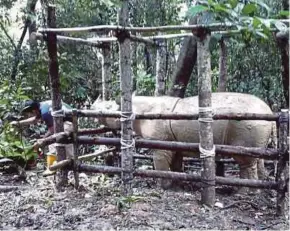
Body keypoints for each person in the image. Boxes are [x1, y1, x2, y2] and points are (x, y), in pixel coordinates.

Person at [10, 99, 74, 176]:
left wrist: (42, 140)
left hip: (69, 121)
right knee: (55, 142)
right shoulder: (41, 106)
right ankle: (59, 167)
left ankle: (60, 168)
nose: (29, 116)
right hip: (65, 119)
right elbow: (35, 119)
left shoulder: (45, 112)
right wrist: (19, 123)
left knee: (57, 142)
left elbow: (52, 131)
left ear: (34, 111)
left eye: (29, 114)